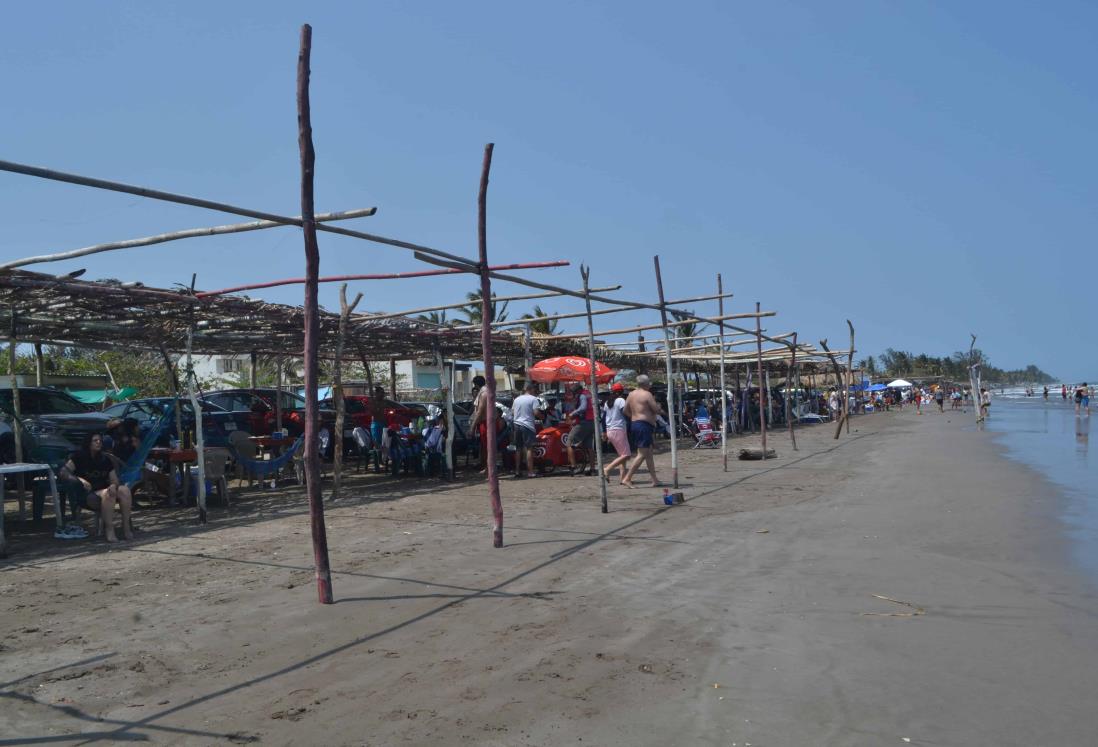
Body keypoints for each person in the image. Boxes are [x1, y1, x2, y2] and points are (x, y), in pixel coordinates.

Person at [60, 432, 133, 543]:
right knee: (108, 494)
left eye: (100, 440)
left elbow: (114, 480)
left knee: (124, 490)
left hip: (104, 490)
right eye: (95, 440)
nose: (98, 442)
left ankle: (126, 528)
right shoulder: (79, 457)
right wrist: (80, 479)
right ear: (89, 443)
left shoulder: (105, 459)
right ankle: (109, 529)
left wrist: (113, 485)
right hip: (87, 494)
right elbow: (64, 472)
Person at [622, 375, 665, 488]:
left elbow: (625, 410)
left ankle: (654, 479)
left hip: (636, 424)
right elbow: (655, 409)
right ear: (646, 384)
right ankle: (627, 478)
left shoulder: (631, 394)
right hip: (643, 426)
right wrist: (661, 410)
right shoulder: (647, 394)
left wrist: (635, 417)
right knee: (641, 454)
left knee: (649, 454)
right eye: (649, 383)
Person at [601, 382, 632, 484]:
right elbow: (626, 413)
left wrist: (604, 431)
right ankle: (607, 469)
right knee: (627, 455)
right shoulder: (620, 400)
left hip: (610, 430)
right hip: (618, 429)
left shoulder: (607, 402)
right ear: (621, 392)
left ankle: (622, 479)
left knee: (622, 455)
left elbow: (603, 418)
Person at [510, 383, 541, 479]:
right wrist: (541, 416)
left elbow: (512, 412)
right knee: (529, 448)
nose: (535, 392)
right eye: (535, 390)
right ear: (531, 389)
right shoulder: (533, 399)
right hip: (527, 425)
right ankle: (530, 472)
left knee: (518, 449)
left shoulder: (517, 399)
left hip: (517, 425)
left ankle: (517, 471)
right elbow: (536, 412)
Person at [564, 381, 596, 476]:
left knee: (569, 443)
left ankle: (573, 467)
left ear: (577, 391)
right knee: (589, 447)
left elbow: (583, 407)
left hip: (583, 423)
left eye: (574, 392)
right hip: (591, 422)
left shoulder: (582, 396)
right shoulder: (588, 394)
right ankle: (593, 469)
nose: (574, 394)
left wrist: (572, 414)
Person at [469, 375, 491, 472]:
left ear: (476, 384)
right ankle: (484, 465)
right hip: (484, 422)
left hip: (485, 422)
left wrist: (472, 427)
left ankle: (487, 467)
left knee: (486, 446)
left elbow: (480, 411)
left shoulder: (484, 393)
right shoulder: (485, 392)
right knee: (484, 446)